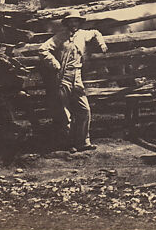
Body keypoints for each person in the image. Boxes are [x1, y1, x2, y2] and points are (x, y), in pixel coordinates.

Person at [37, 18, 107, 153]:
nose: (73, 24)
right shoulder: (60, 37)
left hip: (77, 76)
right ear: (67, 24)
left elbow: (96, 32)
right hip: (63, 77)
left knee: (84, 109)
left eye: (76, 22)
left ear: (79, 23)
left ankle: (83, 142)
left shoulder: (83, 34)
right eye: (71, 22)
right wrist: (54, 63)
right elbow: (43, 49)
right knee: (65, 112)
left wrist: (102, 44)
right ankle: (69, 143)